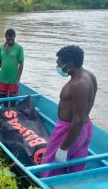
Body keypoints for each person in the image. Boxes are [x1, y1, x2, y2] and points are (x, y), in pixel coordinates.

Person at [41, 45, 97, 177]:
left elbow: (77, 120)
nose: (58, 67)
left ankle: (49, 183)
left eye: (59, 64)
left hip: (69, 130)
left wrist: (63, 147)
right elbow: (89, 105)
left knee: (51, 161)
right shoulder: (90, 75)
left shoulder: (78, 84)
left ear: (70, 64)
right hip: (85, 127)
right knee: (76, 163)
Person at [0, 28, 24, 107]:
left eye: (12, 39)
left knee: (12, 98)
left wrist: (18, 80)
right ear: (5, 38)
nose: (10, 41)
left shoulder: (19, 48)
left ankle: (12, 112)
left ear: (15, 37)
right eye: (8, 39)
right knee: (3, 98)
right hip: (3, 78)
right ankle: (5, 111)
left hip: (13, 79)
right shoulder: (1, 48)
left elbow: (21, 64)